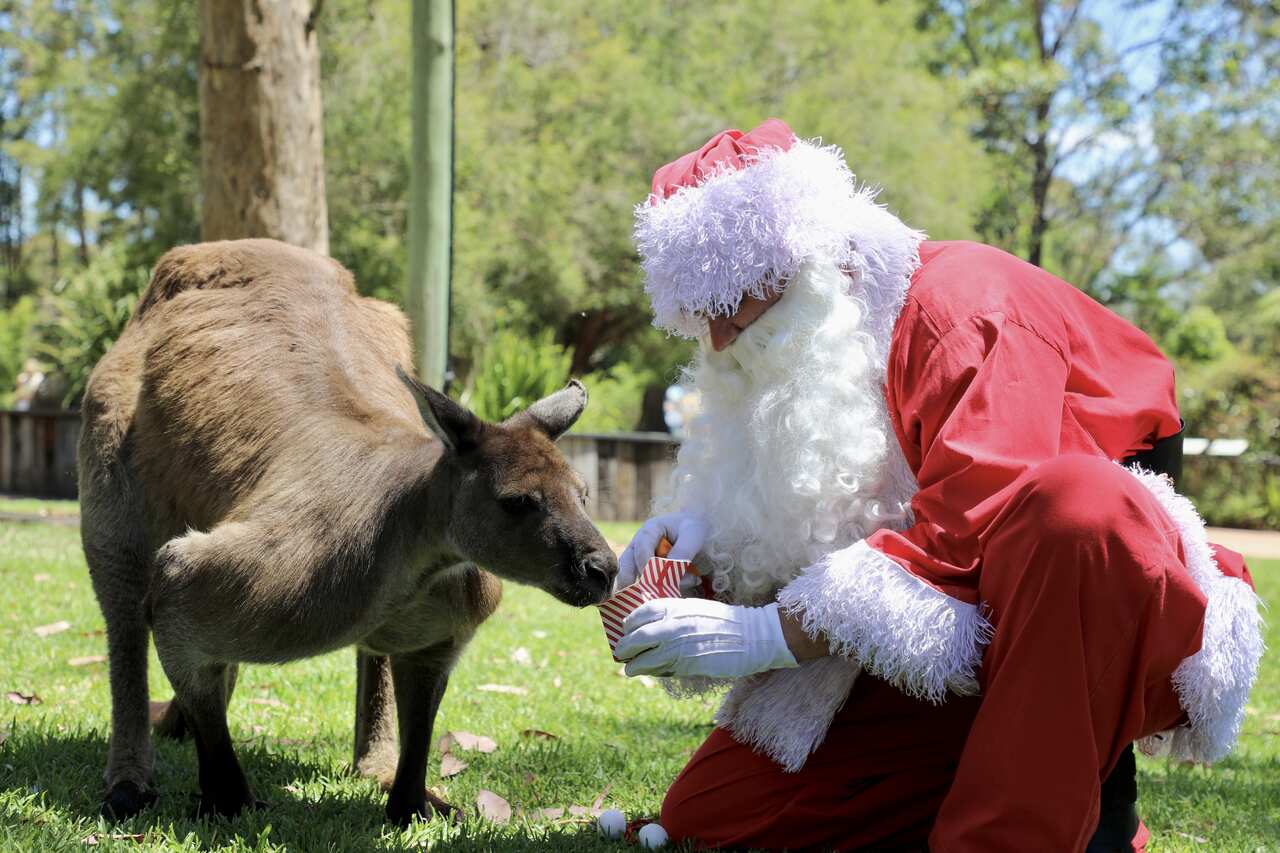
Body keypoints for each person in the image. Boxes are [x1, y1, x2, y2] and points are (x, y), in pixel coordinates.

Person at [613, 118, 1263, 851]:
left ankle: (1055, 807)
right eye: (705, 319)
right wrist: (707, 558)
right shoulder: (798, 340)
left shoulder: (964, 308)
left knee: (1078, 510)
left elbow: (968, 539)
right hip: (956, 631)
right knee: (712, 812)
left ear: (812, 266)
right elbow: (827, 542)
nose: (723, 340)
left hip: (1093, 602)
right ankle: (1031, 784)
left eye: (737, 304)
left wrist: (766, 635)